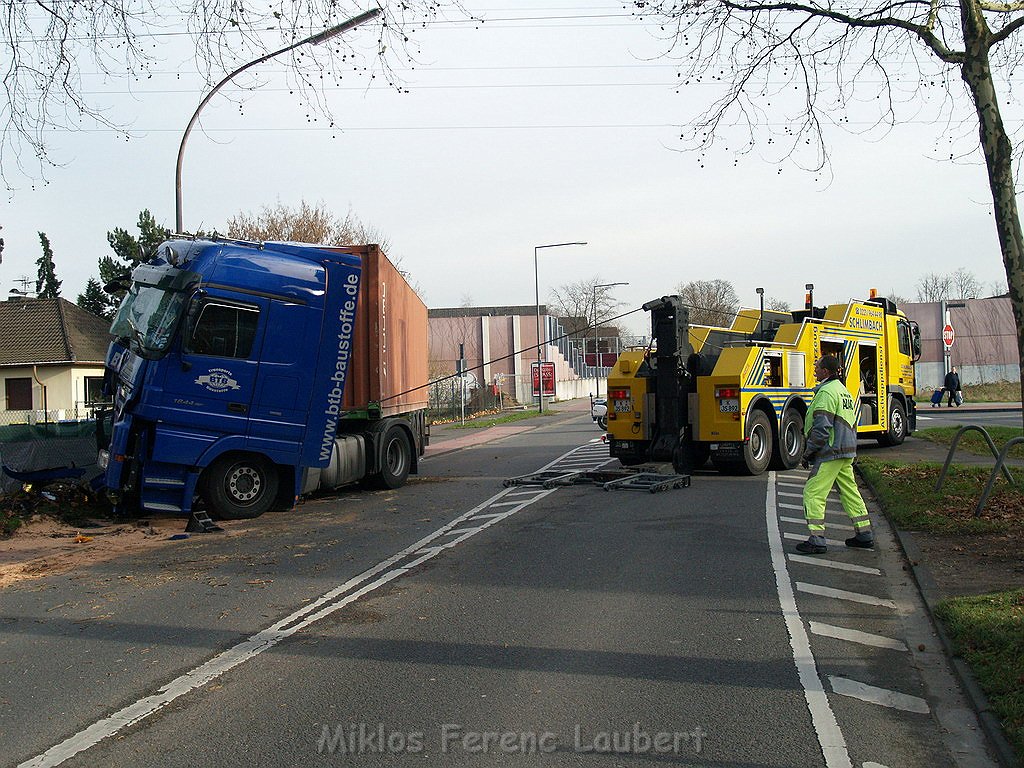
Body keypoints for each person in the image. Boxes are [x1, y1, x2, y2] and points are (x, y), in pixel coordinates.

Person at [796, 355, 873, 554]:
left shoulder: (826, 393)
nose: (814, 369)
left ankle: (817, 539)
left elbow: (822, 427)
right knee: (849, 492)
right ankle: (864, 533)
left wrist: (808, 452)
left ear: (826, 371)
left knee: (813, 493)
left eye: (817, 366)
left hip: (830, 451)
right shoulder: (843, 391)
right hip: (846, 450)